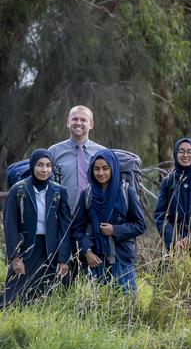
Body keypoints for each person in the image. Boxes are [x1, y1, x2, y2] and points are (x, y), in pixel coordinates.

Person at [2, 149, 72, 307]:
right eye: (40, 165)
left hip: (50, 250)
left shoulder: (59, 191)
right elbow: (10, 225)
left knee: (48, 296)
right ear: (33, 165)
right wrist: (15, 257)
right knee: (12, 298)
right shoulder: (18, 190)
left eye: (48, 165)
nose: (44, 170)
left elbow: (65, 227)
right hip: (27, 248)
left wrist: (63, 259)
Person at [71, 149, 146, 291]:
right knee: (96, 308)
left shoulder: (126, 192)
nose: (101, 173)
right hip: (95, 261)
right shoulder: (87, 194)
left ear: (113, 168)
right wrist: (87, 252)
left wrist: (115, 230)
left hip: (121, 260)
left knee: (126, 305)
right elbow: (77, 229)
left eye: (105, 168)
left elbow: (140, 225)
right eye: (96, 169)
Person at [48, 105, 106, 212]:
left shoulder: (103, 153)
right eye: (74, 119)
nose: (78, 123)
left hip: (95, 216)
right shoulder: (53, 152)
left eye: (83, 120)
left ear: (91, 124)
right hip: (63, 217)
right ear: (67, 122)